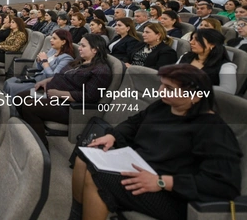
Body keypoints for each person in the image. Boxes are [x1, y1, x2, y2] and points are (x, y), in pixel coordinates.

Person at [69, 64, 242, 220]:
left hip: (172, 194)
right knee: (84, 155)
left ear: (196, 97)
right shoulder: (163, 106)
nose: (161, 91)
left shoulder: (212, 129)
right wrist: (112, 136)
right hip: (142, 168)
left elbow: (223, 184)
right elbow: (134, 122)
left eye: (169, 88)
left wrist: (161, 181)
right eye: (162, 85)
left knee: (98, 177)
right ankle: (76, 216)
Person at [16, 34, 112, 150]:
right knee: (18, 98)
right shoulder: (80, 61)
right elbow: (62, 75)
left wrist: (59, 94)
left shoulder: (101, 70)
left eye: (83, 45)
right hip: (51, 93)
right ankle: (28, 134)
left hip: (67, 105)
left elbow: (90, 96)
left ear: (95, 50)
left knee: (29, 107)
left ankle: (41, 147)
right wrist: (46, 81)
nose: (79, 48)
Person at [3, 29, 75, 97]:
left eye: (54, 38)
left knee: (11, 86)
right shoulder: (53, 50)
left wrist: (44, 61)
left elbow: (53, 78)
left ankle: (10, 108)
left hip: (43, 84)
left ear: (63, 42)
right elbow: (40, 68)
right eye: (51, 38)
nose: (51, 40)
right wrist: (39, 61)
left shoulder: (66, 58)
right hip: (36, 78)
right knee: (8, 81)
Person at [177, 28, 237, 94]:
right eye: (192, 39)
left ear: (212, 44)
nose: (191, 42)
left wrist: (193, 87)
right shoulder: (186, 56)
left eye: (197, 40)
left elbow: (228, 90)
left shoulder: (226, 66)